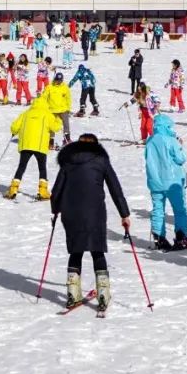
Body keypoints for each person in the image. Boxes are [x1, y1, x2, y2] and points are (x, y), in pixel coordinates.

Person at [51, 134, 130, 312]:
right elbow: (115, 189)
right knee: (97, 250)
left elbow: (56, 190)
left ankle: (72, 293)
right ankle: (103, 294)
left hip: (70, 212)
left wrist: (55, 210)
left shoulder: (67, 161)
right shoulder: (101, 160)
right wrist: (124, 214)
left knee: (76, 250)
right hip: (94, 211)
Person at [144, 114, 187, 251]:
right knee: (180, 209)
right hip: (172, 181)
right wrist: (180, 145)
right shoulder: (171, 140)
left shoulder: (150, 141)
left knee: (158, 210)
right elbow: (180, 159)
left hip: (155, 181)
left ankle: (159, 238)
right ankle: (181, 236)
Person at [7, 96, 62, 200]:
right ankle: (43, 191)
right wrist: (58, 119)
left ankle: (13, 188)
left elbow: (14, 127)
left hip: (26, 145)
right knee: (42, 168)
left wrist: (14, 132)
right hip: (40, 146)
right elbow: (55, 128)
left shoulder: (25, 114)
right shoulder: (47, 114)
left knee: (21, 167)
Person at [44, 72, 73, 148]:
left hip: (63, 110)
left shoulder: (65, 87)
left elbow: (68, 98)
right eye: (57, 80)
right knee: (52, 126)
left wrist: (68, 108)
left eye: (60, 80)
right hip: (52, 110)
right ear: (55, 79)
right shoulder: (49, 87)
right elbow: (44, 97)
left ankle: (67, 139)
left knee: (66, 124)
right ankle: (51, 142)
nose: (58, 82)